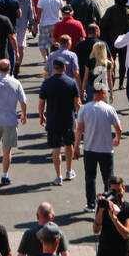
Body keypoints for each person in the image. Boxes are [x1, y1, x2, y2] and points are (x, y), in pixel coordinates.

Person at [74, 85, 122, 210]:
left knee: (90, 178)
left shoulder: (84, 109)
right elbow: (119, 128)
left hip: (89, 149)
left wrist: (76, 146)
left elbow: (79, 129)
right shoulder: (109, 109)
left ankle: (91, 204)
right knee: (108, 179)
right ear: (103, 93)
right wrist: (117, 138)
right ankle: (108, 203)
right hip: (106, 149)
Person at [38, 56, 80, 185]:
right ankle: (68, 170)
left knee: (55, 148)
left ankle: (58, 176)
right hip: (68, 120)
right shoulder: (72, 82)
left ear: (54, 68)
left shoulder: (47, 82)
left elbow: (41, 102)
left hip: (53, 119)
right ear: (65, 68)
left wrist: (41, 115)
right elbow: (77, 102)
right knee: (69, 145)